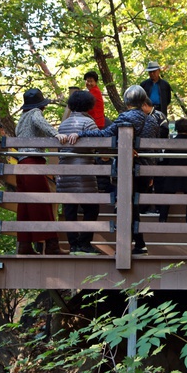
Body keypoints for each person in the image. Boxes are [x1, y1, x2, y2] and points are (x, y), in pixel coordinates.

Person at [68, 85, 158, 255]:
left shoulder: (126, 117)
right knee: (134, 207)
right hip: (146, 169)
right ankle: (139, 244)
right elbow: (152, 148)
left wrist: (82, 134)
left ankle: (126, 247)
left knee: (126, 206)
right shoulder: (152, 121)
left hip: (129, 168)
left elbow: (105, 135)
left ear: (127, 100)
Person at [15, 88, 70, 255]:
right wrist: (56, 134)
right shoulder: (35, 113)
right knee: (42, 203)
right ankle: (51, 245)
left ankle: (24, 246)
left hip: (21, 164)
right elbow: (41, 123)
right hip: (33, 163)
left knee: (25, 207)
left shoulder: (21, 119)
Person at [57, 90, 101, 254]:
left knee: (70, 210)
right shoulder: (88, 122)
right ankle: (84, 243)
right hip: (84, 174)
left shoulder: (63, 124)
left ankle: (73, 245)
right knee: (92, 209)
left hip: (65, 173)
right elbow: (99, 142)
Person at [159, 118, 187, 223]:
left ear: (176, 129)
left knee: (167, 196)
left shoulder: (171, 143)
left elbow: (165, 158)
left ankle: (163, 219)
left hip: (172, 175)